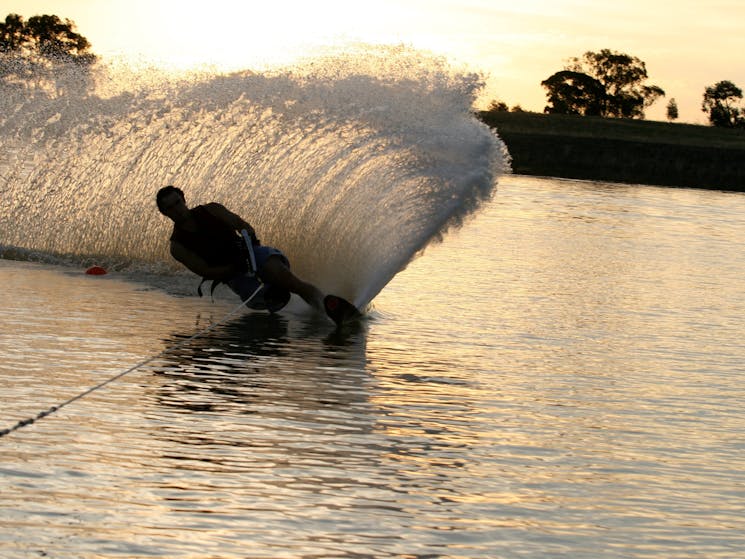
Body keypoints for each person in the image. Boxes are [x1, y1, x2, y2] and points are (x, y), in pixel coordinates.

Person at [156, 185, 324, 312]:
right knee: (273, 296)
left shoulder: (212, 210)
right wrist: (234, 267)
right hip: (233, 275)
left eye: (177, 203)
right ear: (164, 213)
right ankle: (278, 294)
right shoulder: (177, 247)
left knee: (289, 281)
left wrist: (248, 239)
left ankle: (325, 307)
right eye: (170, 208)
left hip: (252, 254)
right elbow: (206, 271)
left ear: (184, 200)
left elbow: (243, 226)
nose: (177, 209)